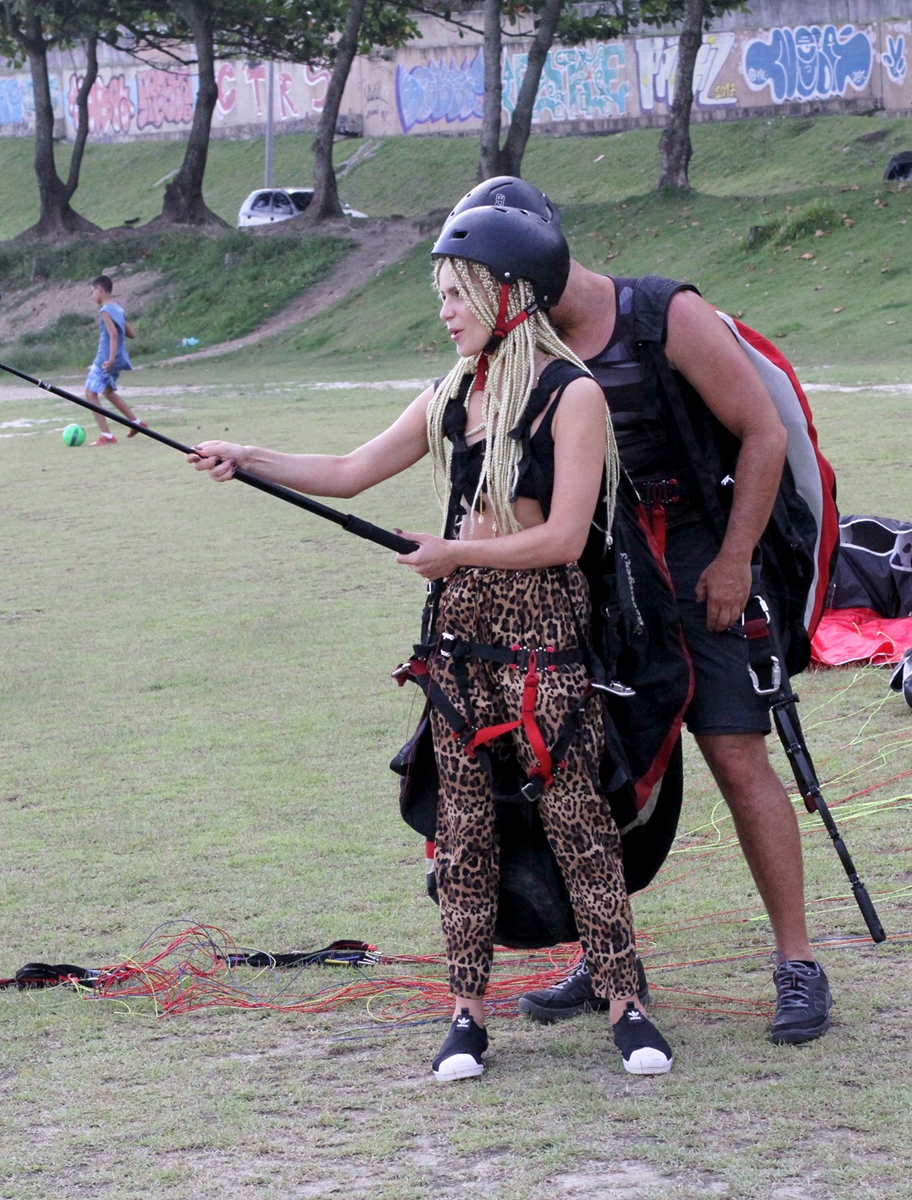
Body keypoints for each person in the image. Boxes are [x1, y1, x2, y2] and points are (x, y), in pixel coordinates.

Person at [186, 205, 673, 1081]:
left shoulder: (576, 396)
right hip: (457, 647)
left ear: (508, 293)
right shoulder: (453, 392)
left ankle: (626, 1004)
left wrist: (457, 552)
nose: (446, 311)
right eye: (441, 295)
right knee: (465, 831)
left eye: (458, 293)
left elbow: (565, 539)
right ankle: (467, 1013)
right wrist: (246, 455)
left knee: (577, 823)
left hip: (545, 644)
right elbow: (348, 471)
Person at [451, 177, 837, 1045]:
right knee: (589, 767)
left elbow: (761, 433)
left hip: (703, 551)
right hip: (604, 568)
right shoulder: (526, 335)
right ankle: (609, 956)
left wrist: (736, 561)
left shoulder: (666, 314)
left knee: (737, 756)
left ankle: (797, 962)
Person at [85, 274, 147, 445]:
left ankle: (107, 435)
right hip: (119, 357)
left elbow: (113, 334)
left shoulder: (105, 310)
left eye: (92, 291)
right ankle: (136, 423)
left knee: (90, 394)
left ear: (100, 289)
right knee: (108, 391)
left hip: (105, 358)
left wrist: (110, 359)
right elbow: (131, 333)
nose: (92, 296)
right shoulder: (118, 309)